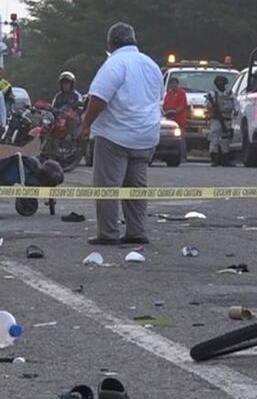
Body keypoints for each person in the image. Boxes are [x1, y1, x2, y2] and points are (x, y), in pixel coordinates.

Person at [77, 22, 162, 245]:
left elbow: (99, 98)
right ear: (134, 40)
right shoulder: (151, 65)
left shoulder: (115, 63)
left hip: (116, 135)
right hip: (146, 136)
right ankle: (136, 231)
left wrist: (86, 126)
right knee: (136, 187)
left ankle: (108, 233)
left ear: (110, 43)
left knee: (107, 186)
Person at [205, 75, 235, 167]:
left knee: (225, 140)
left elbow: (235, 104)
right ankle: (214, 160)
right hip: (216, 119)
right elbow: (207, 106)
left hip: (227, 118)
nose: (220, 85)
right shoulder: (212, 94)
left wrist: (236, 112)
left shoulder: (229, 94)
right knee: (214, 139)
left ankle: (225, 160)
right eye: (219, 83)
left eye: (222, 83)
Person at [162, 76, 189, 161]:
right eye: (171, 84)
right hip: (169, 120)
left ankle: (182, 156)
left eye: (175, 84)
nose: (173, 85)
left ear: (177, 84)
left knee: (180, 138)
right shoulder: (168, 94)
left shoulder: (182, 93)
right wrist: (165, 112)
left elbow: (182, 105)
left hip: (179, 120)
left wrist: (174, 112)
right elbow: (164, 105)